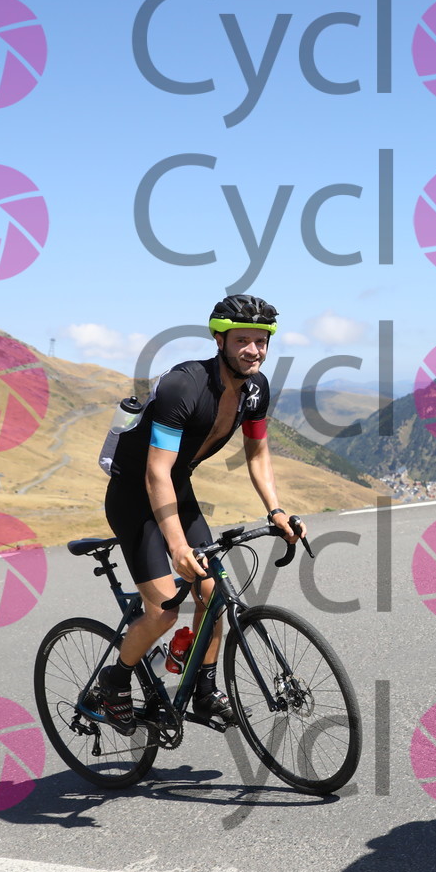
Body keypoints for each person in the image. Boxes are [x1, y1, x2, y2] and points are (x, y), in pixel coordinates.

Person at [81, 294, 306, 733]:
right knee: (164, 611)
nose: (254, 351)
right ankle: (114, 680)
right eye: (242, 341)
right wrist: (178, 546)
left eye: (261, 342)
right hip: (134, 496)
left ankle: (203, 690)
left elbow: (257, 454)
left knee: (211, 590)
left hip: (177, 490)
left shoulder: (256, 389)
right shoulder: (184, 386)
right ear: (219, 340)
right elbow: (156, 472)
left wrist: (276, 510)